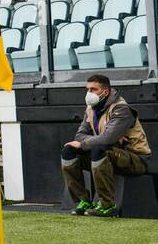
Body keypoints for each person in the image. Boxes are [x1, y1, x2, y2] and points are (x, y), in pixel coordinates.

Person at [61, 73, 151, 218]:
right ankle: (83, 201)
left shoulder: (121, 109)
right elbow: (80, 135)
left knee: (99, 149)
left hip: (136, 159)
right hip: (110, 152)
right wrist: (102, 140)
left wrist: (99, 140)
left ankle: (107, 206)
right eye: (88, 89)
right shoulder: (91, 108)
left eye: (93, 89)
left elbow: (107, 138)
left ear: (106, 91)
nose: (89, 93)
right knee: (69, 151)